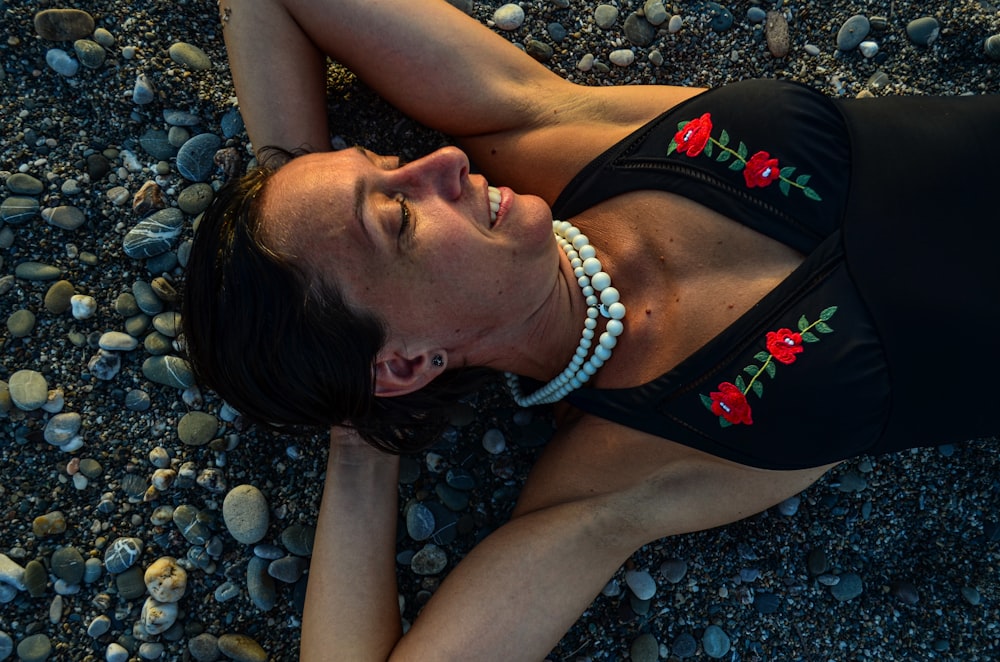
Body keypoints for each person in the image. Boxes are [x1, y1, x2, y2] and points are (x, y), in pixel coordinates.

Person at [182, 0, 1000, 658]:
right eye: (396, 216)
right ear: (404, 364)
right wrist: (361, 437)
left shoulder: (542, 133)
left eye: (381, 166)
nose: (440, 164)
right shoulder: (613, 481)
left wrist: (281, 196)